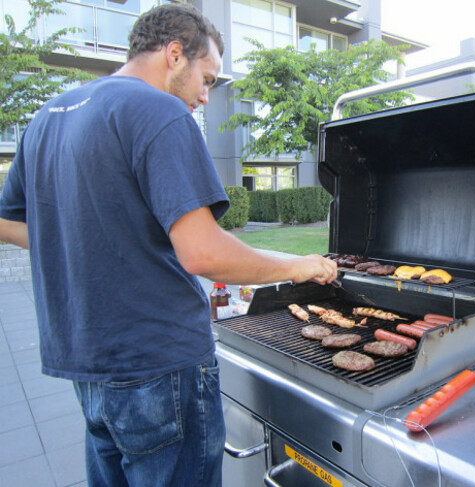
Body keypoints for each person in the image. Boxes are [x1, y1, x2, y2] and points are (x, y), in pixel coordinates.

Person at [0, 3, 337, 486]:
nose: (205, 95)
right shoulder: (157, 110)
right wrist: (296, 265)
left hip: (85, 365)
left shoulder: (48, 116)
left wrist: (81, 233)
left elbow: (7, 221)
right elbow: (205, 254)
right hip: (158, 364)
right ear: (175, 54)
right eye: (208, 78)